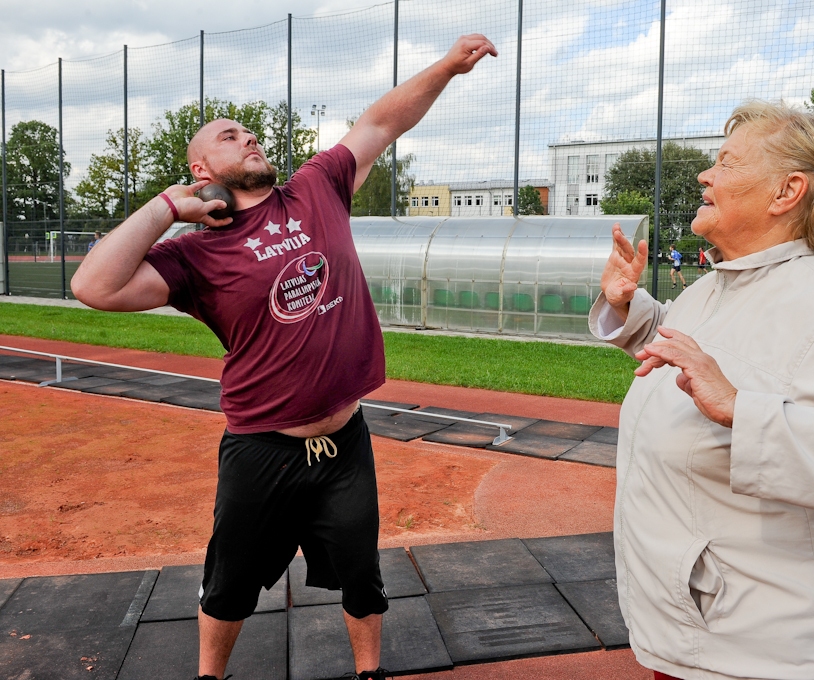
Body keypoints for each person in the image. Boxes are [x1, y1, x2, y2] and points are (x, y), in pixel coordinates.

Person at [70, 35, 497, 680]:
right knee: (229, 583)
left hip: (344, 443)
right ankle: (209, 677)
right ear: (202, 171)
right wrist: (168, 208)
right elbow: (93, 288)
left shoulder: (316, 188)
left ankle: (370, 672)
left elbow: (382, 121)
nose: (248, 137)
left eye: (249, 130)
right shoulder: (194, 256)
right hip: (261, 449)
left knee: (363, 575)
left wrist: (444, 68)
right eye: (228, 135)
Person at [591, 101, 814, 680]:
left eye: (726, 162)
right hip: (710, 633)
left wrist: (743, 411)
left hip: (785, 655)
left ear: (786, 191)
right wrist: (631, 310)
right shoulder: (719, 287)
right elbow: (718, 353)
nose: (704, 176)